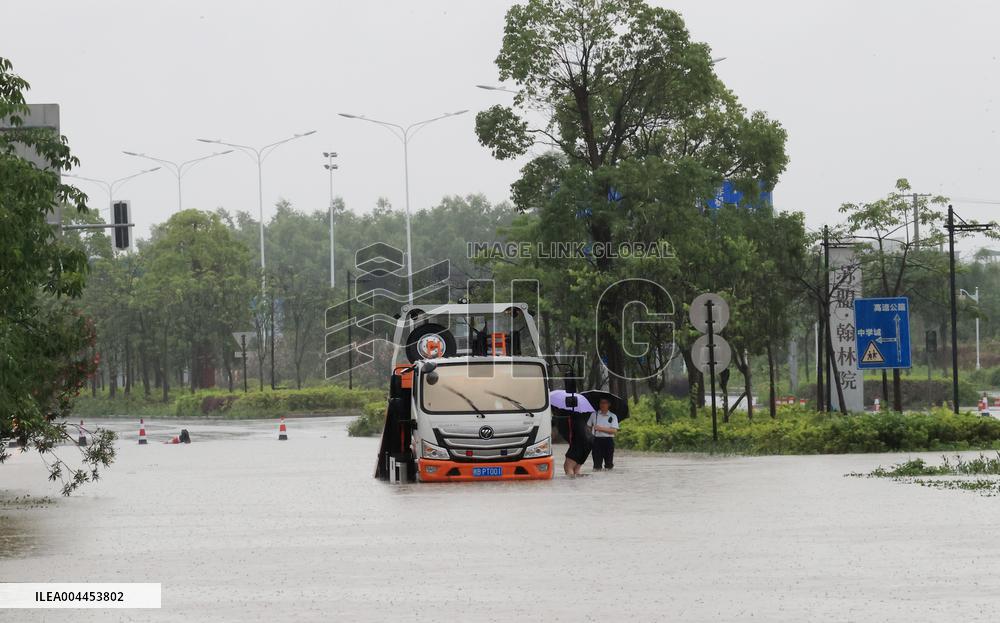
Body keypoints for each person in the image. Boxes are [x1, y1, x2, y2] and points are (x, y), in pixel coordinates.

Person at [587, 398, 619, 470]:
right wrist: (590, 435)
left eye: (605, 403)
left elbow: (614, 430)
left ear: (609, 404)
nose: (603, 405)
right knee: (596, 465)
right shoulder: (594, 414)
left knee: (609, 465)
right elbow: (588, 427)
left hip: (608, 441)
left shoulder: (613, 416)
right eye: (601, 403)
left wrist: (600, 429)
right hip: (596, 441)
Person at [563, 411, 592, 477]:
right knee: (576, 470)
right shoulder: (587, 411)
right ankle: (578, 486)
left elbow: (570, 433)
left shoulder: (572, 415)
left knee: (568, 467)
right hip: (589, 440)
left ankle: (571, 486)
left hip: (579, 441)